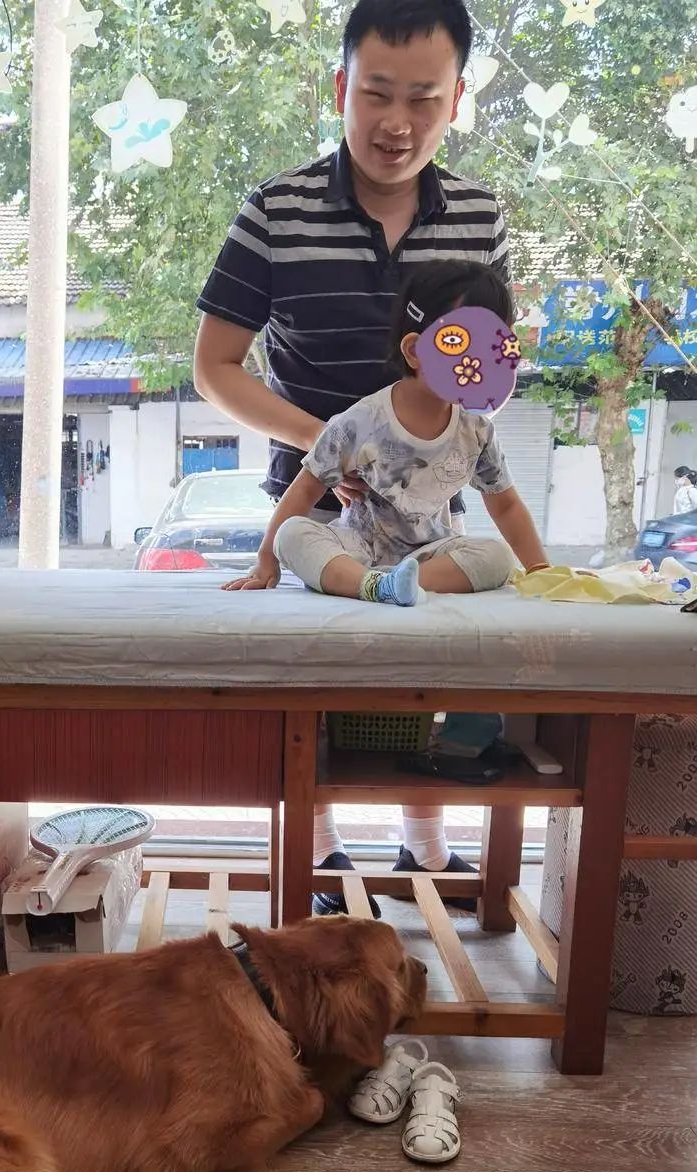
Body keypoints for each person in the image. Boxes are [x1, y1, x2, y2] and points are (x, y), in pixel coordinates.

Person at [193, 0, 511, 915]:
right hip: (315, 500)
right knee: (314, 692)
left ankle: (425, 849)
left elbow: (486, 368)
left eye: (423, 98)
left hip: (431, 506)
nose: (396, 121)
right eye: (376, 93)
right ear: (341, 87)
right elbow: (215, 367)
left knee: (421, 682)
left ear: (456, 101)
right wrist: (330, 445)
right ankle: (320, 858)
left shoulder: (480, 216)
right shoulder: (276, 211)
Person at [259, 260, 549, 603]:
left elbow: (506, 506)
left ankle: (386, 584)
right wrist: (266, 562)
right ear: (414, 350)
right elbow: (305, 489)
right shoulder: (362, 420)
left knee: (496, 557)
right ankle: (374, 584)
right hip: (356, 548)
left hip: (429, 553)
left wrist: (541, 570)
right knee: (291, 534)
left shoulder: (477, 432)